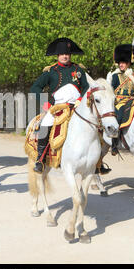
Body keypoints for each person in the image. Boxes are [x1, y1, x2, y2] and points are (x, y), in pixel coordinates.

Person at [30, 38, 89, 173]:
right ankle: (40, 159)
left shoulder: (79, 70)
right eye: (62, 54)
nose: (64, 56)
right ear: (58, 55)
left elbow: (86, 87)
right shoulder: (51, 71)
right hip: (56, 108)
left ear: (70, 55)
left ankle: (97, 162)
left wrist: (81, 98)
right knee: (45, 123)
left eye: (67, 54)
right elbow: (35, 88)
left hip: (77, 107)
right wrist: (46, 101)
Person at [107, 42, 134, 155]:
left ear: (128, 63)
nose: (121, 65)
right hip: (119, 101)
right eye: (120, 63)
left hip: (133, 100)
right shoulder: (115, 76)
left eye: (123, 63)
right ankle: (114, 143)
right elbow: (110, 89)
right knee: (119, 115)